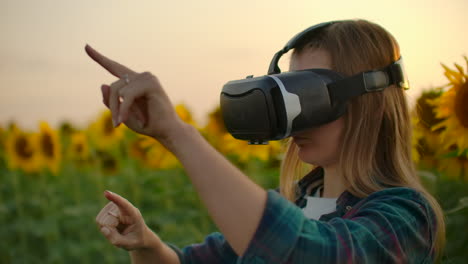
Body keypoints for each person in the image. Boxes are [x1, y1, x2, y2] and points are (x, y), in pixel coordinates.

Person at [88, 19, 445, 263]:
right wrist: (146, 243)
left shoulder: (407, 216)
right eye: (290, 97)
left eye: (311, 97)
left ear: (373, 103)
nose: (295, 121)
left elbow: (309, 254)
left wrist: (178, 134)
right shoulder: (293, 203)